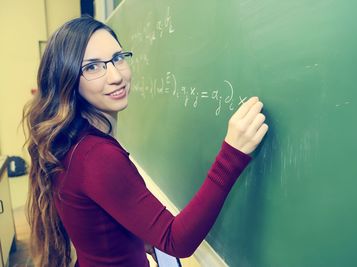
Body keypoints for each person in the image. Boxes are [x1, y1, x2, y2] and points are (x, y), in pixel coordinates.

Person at [23, 16, 268, 267]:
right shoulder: (96, 156)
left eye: (118, 58)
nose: (116, 76)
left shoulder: (72, 142)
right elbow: (177, 241)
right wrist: (232, 156)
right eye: (92, 67)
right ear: (68, 79)